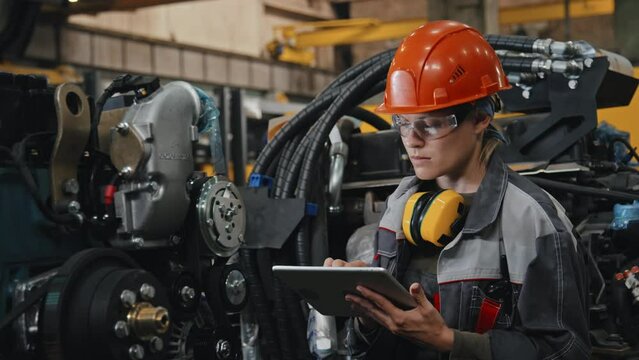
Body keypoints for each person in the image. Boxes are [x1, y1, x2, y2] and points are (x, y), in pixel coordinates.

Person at [324, 20, 590, 359]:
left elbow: (568, 352)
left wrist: (449, 341)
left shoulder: (534, 221)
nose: (412, 141)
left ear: (480, 118)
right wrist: (370, 316)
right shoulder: (398, 207)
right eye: (403, 124)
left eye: (431, 124)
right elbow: (371, 350)